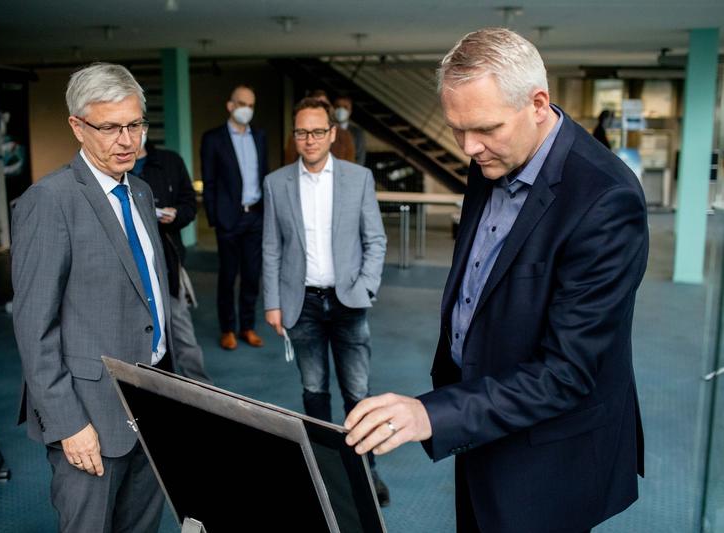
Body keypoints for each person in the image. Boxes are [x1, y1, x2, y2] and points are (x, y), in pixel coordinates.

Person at [344, 27, 647, 533]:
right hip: (480, 419)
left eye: (484, 128)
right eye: (457, 129)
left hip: (550, 455)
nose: (468, 147)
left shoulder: (605, 199)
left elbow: (566, 372)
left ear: (537, 103)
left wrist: (433, 415)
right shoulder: (491, 157)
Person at [11, 63, 172, 532]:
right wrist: (68, 423)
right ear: (78, 127)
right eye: (110, 127)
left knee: (142, 525)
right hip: (89, 415)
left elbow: (148, 299)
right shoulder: (50, 201)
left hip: (152, 396)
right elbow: (33, 326)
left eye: (136, 124)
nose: (128, 140)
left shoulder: (139, 192)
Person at [263, 97, 390, 506]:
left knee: (358, 391)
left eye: (318, 131)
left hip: (350, 301)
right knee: (314, 391)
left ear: (333, 134)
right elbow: (271, 248)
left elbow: (375, 240)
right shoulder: (276, 183)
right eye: (302, 132)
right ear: (294, 136)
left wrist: (367, 287)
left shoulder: (359, 178)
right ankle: (323, 472)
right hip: (302, 304)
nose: (310, 139)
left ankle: (367, 472)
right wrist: (273, 302)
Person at [133, 135, 211, 382]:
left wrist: (176, 216)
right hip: (130, 270)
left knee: (182, 336)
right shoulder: (113, 166)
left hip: (167, 265)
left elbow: (189, 202)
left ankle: (202, 398)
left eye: (137, 125)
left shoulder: (169, 162)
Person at [201, 85, 269, 350]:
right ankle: (228, 328)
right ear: (230, 106)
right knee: (228, 276)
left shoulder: (260, 136)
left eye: (251, 105)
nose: (246, 110)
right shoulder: (213, 138)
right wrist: (216, 218)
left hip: (255, 216)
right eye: (242, 103)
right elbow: (209, 181)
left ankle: (247, 327)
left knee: (252, 275)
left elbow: (264, 174)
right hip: (229, 219)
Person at [283, 90, 356, 164]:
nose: (310, 141)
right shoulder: (295, 137)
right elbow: (289, 165)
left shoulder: (344, 136)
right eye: (315, 105)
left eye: (324, 105)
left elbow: (350, 167)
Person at [334, 95, 367, 166]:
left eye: (345, 107)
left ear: (350, 111)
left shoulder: (357, 133)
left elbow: (360, 158)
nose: (341, 110)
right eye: (338, 106)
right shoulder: (327, 129)